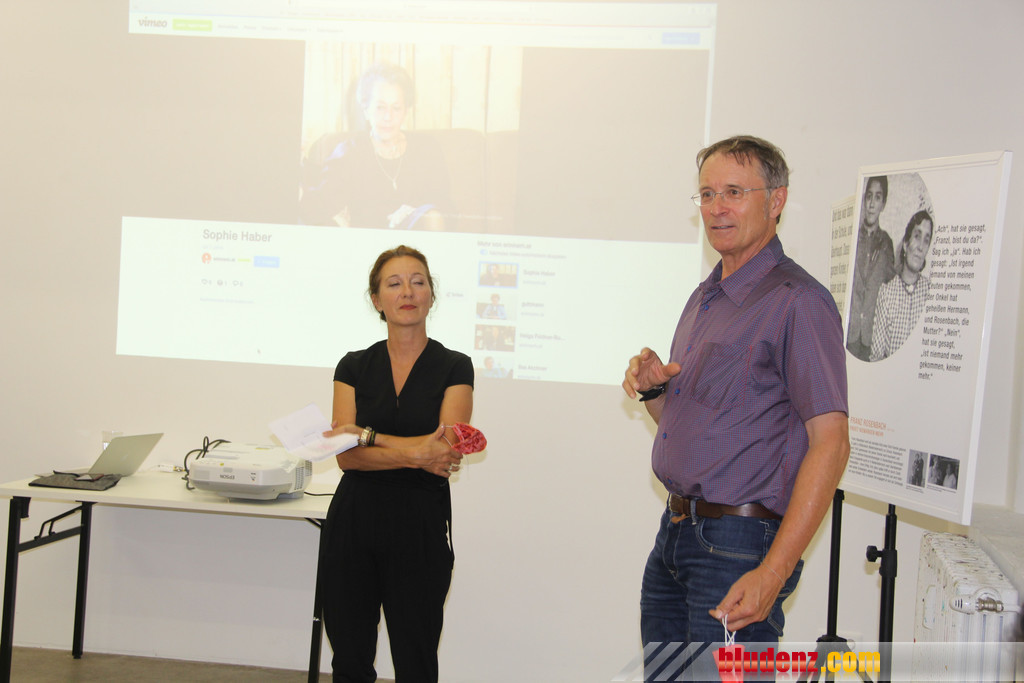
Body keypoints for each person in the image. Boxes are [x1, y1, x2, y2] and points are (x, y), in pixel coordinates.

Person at [622, 136, 849, 674]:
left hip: (739, 547)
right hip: (676, 535)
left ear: (776, 200)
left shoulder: (799, 301)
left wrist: (773, 573)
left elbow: (832, 443)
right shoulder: (706, 296)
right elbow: (697, 426)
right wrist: (655, 392)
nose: (716, 207)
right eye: (706, 194)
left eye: (733, 192)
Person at [320, 245, 473, 682]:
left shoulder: (455, 367)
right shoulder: (352, 366)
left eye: (418, 282)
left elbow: (443, 451)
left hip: (420, 527)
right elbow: (346, 456)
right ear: (376, 300)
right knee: (349, 661)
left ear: (431, 296)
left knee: (416, 661)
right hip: (353, 523)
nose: (407, 292)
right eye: (394, 284)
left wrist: (371, 437)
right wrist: (414, 453)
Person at [301, 63, 452, 229]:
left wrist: (417, 212)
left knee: (433, 217)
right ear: (366, 110)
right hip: (370, 241)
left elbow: (447, 208)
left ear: (406, 111)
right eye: (380, 107)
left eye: (396, 108)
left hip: (415, 241)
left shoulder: (427, 149)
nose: (388, 117)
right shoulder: (349, 153)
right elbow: (318, 206)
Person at [869, 210, 933, 361]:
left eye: (926, 240)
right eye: (917, 236)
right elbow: (876, 355)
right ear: (905, 244)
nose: (920, 247)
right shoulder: (887, 293)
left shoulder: (931, 293)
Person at [847, 176, 896, 361]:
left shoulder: (886, 243)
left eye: (877, 197)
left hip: (872, 337)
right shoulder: (852, 238)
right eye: (868, 197)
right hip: (849, 334)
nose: (872, 204)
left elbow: (890, 289)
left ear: (883, 203)